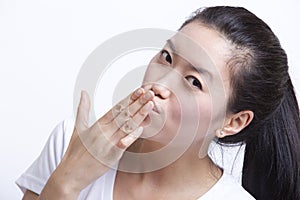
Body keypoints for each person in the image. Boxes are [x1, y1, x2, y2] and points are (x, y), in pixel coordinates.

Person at [16, 6, 300, 200]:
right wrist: (65, 183)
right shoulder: (71, 144)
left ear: (233, 122)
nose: (160, 85)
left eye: (193, 82)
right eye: (166, 57)